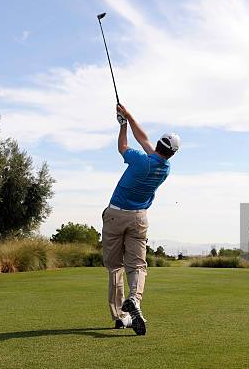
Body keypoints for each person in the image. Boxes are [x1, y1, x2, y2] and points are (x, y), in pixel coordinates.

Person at [102, 103, 180, 336]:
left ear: (158, 144)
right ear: (172, 153)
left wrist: (123, 125)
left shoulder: (139, 160)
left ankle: (120, 316)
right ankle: (134, 300)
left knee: (115, 267)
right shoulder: (165, 168)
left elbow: (123, 146)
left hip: (116, 215)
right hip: (139, 219)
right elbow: (143, 139)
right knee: (137, 265)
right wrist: (128, 116)